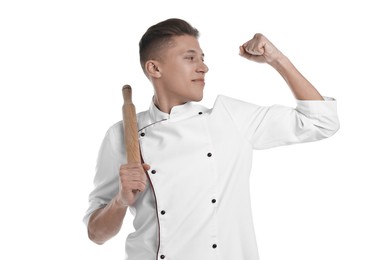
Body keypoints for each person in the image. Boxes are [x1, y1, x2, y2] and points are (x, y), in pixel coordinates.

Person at [83, 18, 340, 260]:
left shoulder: (230, 118)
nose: (203, 67)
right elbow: (96, 234)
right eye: (190, 58)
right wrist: (120, 201)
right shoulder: (121, 135)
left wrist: (276, 59)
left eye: (202, 58)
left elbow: (321, 122)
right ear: (154, 68)